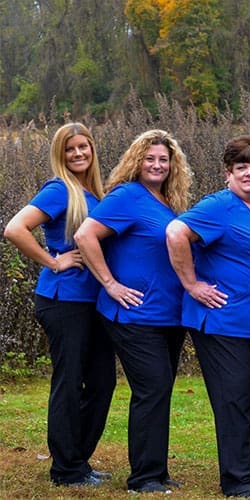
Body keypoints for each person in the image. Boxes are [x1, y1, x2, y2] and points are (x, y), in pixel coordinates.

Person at [166, 135, 250, 498]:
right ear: (227, 174)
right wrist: (192, 284)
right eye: (241, 167)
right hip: (224, 323)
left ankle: (243, 468)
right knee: (234, 399)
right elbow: (176, 232)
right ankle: (239, 481)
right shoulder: (219, 207)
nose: (249, 173)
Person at [74, 129, 192, 494]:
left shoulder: (166, 203)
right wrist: (110, 283)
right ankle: (143, 477)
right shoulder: (127, 196)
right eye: (150, 158)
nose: (157, 165)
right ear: (136, 161)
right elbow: (84, 236)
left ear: (172, 166)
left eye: (163, 159)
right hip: (134, 315)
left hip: (168, 315)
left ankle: (156, 469)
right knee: (152, 387)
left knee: (159, 389)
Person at [4, 123, 116, 487]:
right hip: (63, 300)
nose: (79, 154)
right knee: (69, 382)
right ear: (60, 155)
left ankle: (78, 461)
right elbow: (15, 228)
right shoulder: (59, 191)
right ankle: (66, 470)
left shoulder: (94, 193)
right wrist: (55, 261)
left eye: (84, 146)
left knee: (102, 381)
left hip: (92, 301)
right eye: (70, 149)